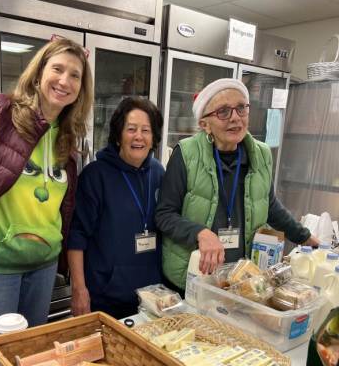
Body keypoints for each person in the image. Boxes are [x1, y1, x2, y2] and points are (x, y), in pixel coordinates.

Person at [0, 35, 93, 348]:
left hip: (44, 265)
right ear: (38, 74)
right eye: (58, 69)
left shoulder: (67, 139)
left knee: (32, 352)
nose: (65, 80)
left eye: (75, 75)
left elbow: (60, 208)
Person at [156, 78, 319, 293]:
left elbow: (270, 206)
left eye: (241, 108)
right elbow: (164, 214)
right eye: (223, 111)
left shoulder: (261, 154)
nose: (235, 117)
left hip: (242, 278)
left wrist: (305, 237)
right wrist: (200, 233)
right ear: (204, 124)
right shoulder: (186, 154)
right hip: (194, 275)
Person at [67, 97, 165, 319]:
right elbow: (77, 236)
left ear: (153, 137)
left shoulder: (159, 173)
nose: (139, 136)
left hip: (152, 296)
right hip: (106, 297)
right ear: (119, 135)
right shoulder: (96, 175)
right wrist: (79, 289)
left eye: (146, 130)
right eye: (131, 129)